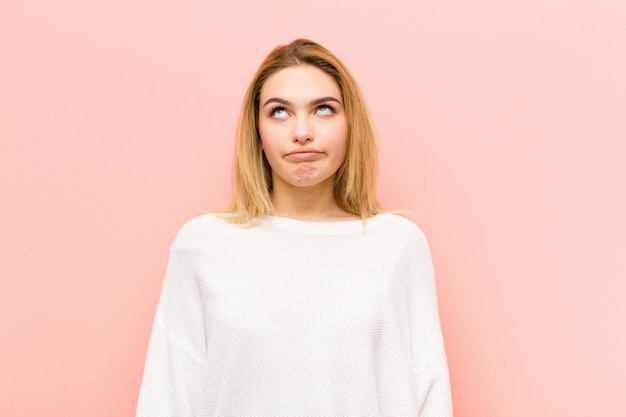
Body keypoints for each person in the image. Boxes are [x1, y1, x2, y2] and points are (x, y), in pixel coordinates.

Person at [136, 39, 453, 416]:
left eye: (323, 109)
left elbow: (429, 393)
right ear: (257, 130)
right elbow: (166, 397)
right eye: (280, 112)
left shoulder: (398, 244)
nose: (302, 131)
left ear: (350, 122)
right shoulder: (201, 244)